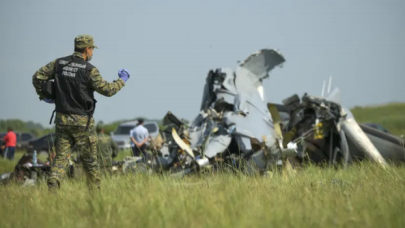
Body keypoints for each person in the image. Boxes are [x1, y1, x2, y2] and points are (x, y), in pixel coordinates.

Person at [32, 34, 130, 192]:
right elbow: (108, 90)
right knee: (90, 160)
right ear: (87, 49)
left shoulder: (58, 64)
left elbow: (37, 77)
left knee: (62, 157)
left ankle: (54, 182)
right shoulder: (89, 70)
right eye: (92, 49)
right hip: (82, 122)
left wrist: (46, 96)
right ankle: (95, 192)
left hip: (62, 119)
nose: (92, 53)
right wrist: (122, 80)